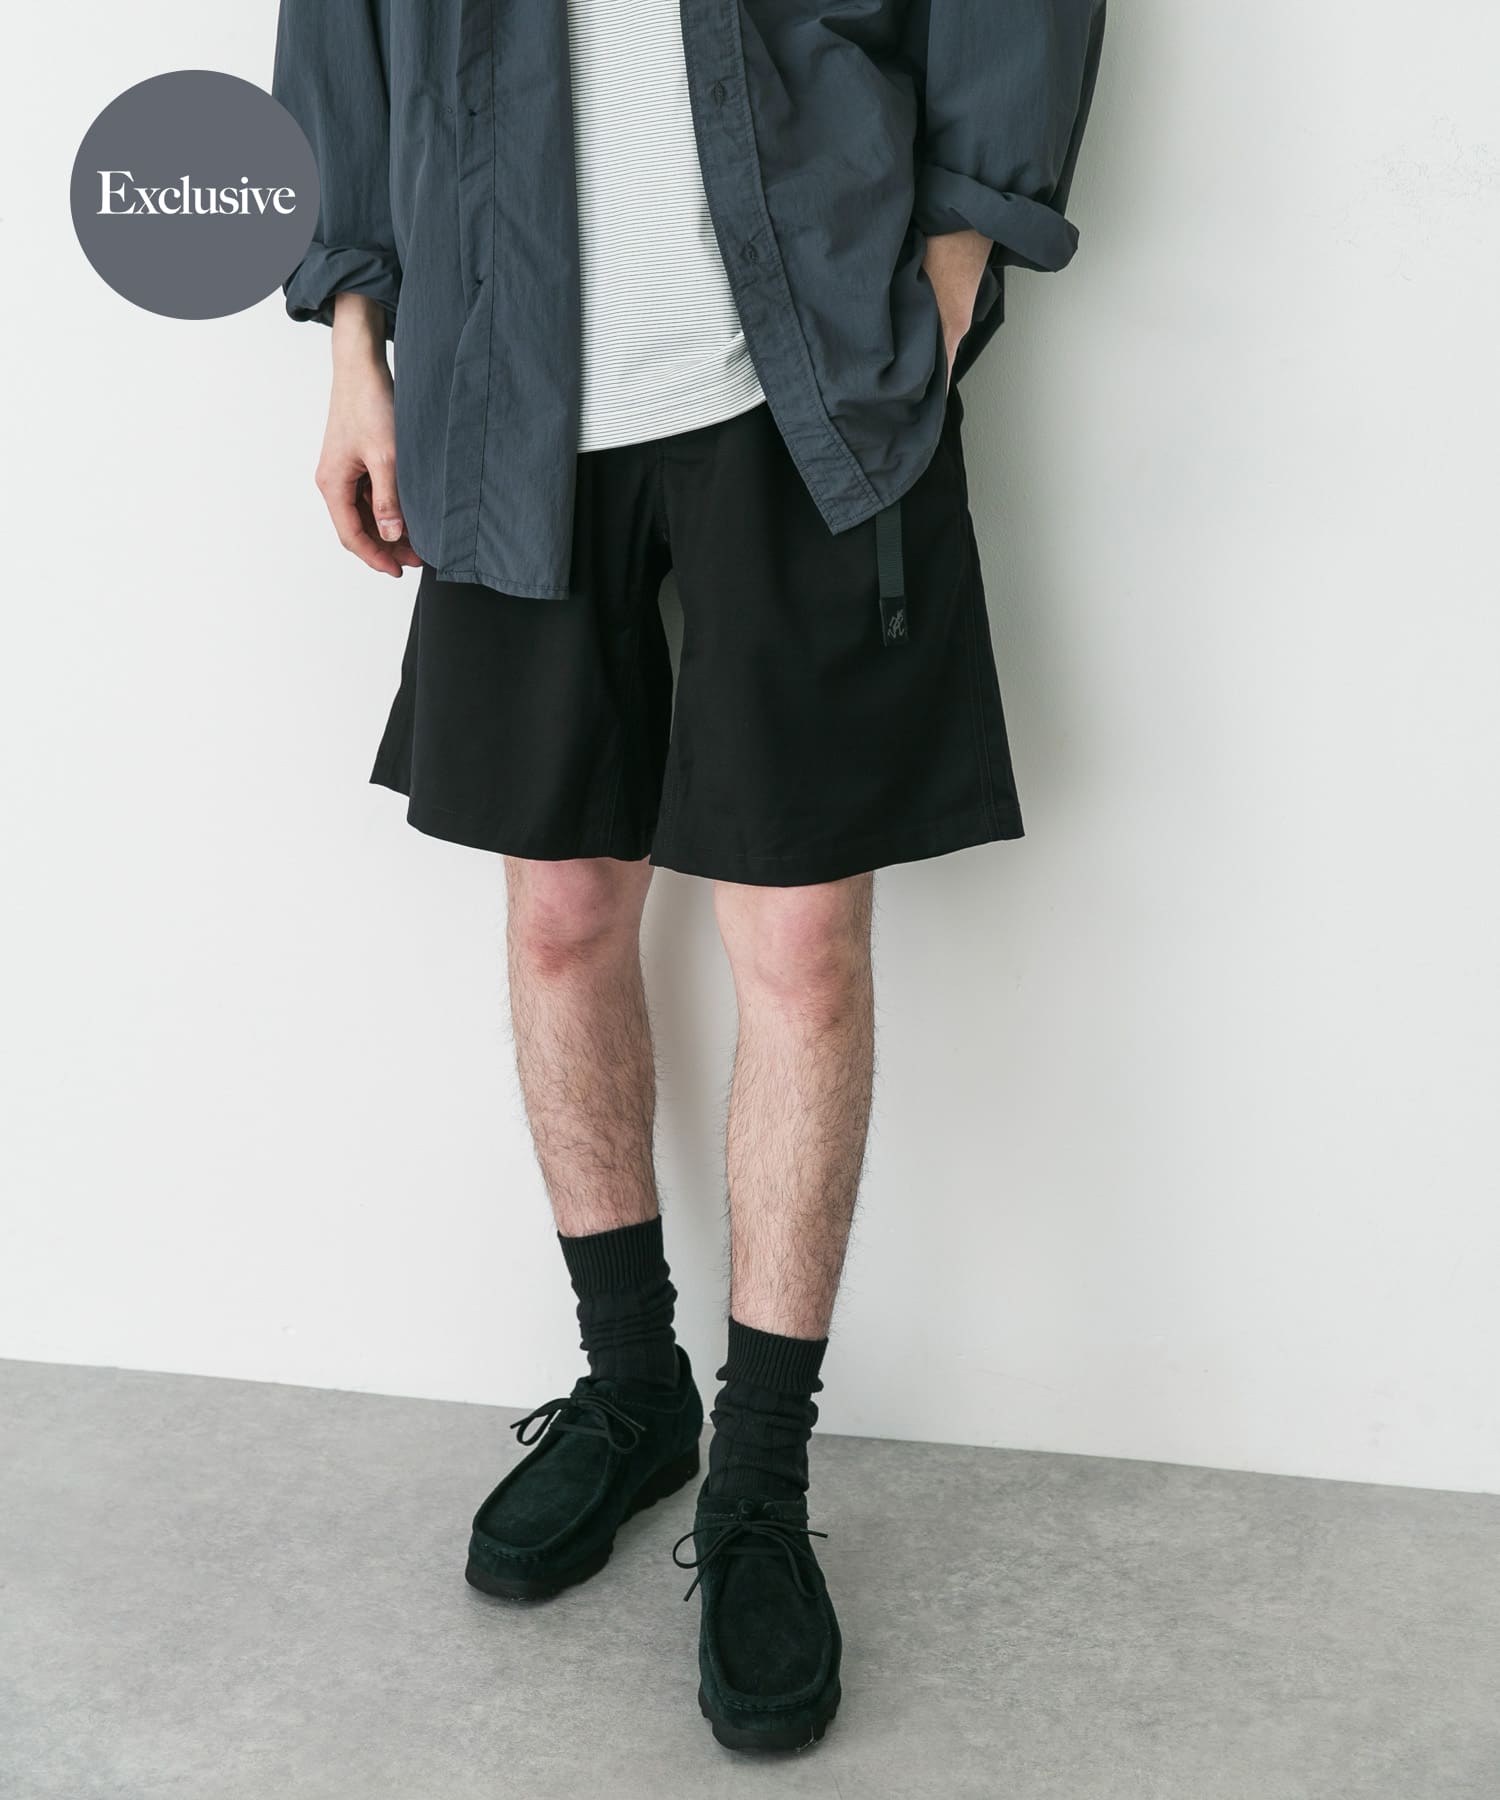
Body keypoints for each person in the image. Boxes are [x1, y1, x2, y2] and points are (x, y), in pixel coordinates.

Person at [273, 0, 1105, 1754]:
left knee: (798, 944)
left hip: (810, 365)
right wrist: (355, 337)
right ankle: (634, 1389)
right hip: (505, 370)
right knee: (561, 912)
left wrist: (959, 250)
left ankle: (761, 1489)